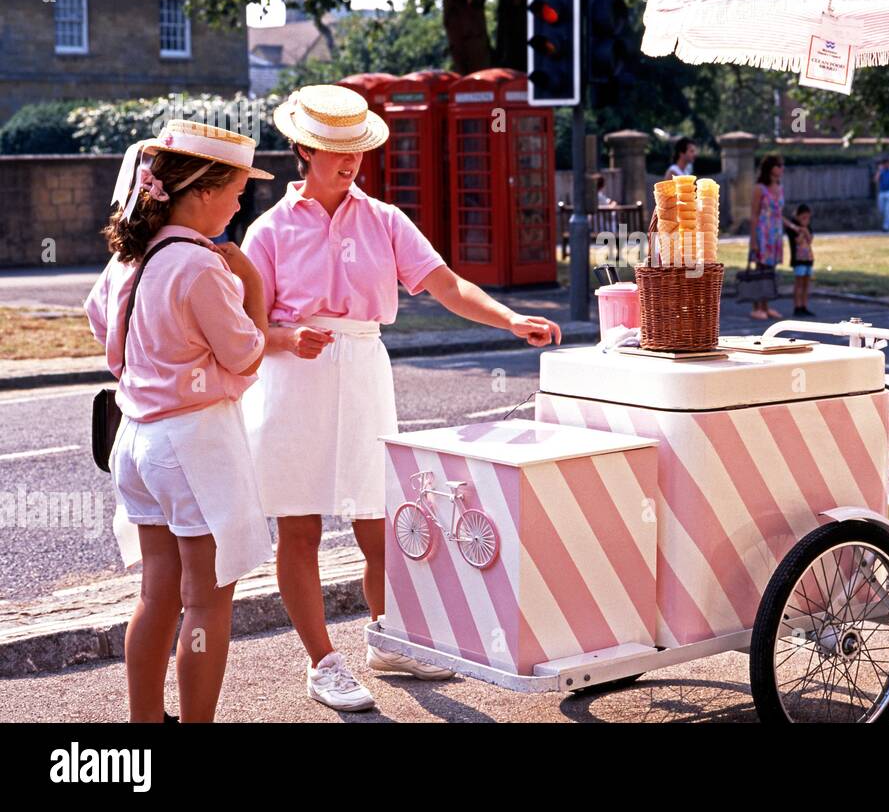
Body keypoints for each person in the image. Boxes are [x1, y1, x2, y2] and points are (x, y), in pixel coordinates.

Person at [241, 84, 563, 713]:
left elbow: (446, 284)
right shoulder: (269, 230)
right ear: (304, 149)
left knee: (382, 525)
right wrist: (284, 337)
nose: (349, 159)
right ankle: (322, 661)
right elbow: (245, 328)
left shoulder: (385, 219)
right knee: (300, 529)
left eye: (356, 147)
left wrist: (508, 319)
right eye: (335, 148)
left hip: (363, 369)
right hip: (292, 381)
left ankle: (390, 638)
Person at [84, 121, 276, 723]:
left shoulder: (130, 255)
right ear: (201, 192)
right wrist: (250, 280)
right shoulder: (201, 267)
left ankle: (144, 724)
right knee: (208, 602)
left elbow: (97, 320)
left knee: (156, 595)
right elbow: (246, 350)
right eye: (237, 191)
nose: (242, 203)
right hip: (194, 445)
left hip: (137, 441)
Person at [748, 154, 801, 321]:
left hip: (776, 235)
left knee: (770, 272)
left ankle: (766, 306)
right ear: (770, 168)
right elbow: (755, 215)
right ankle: (756, 307)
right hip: (763, 235)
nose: (782, 169)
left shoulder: (780, 187)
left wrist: (792, 226)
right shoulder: (759, 189)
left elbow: (778, 214)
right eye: (779, 165)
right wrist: (753, 241)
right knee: (761, 272)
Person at [786, 203, 815, 317]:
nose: (806, 220)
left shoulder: (808, 228)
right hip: (798, 261)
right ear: (797, 216)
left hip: (808, 259)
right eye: (803, 217)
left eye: (808, 218)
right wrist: (802, 230)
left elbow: (810, 240)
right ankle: (797, 306)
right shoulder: (793, 228)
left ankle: (804, 306)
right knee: (799, 284)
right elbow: (797, 241)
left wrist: (806, 230)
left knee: (806, 284)